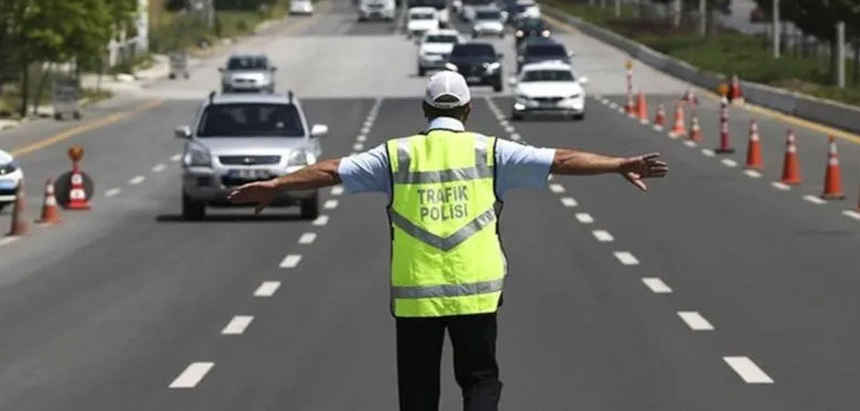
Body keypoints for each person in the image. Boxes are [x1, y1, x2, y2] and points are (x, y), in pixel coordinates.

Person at [227, 71, 668, 411]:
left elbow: (330, 170)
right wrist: (616, 164)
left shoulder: (396, 155)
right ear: (468, 110)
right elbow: (562, 159)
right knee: (479, 380)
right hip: (476, 291)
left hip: (416, 295)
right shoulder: (492, 151)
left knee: (418, 391)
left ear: (424, 109)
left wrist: (277, 185)